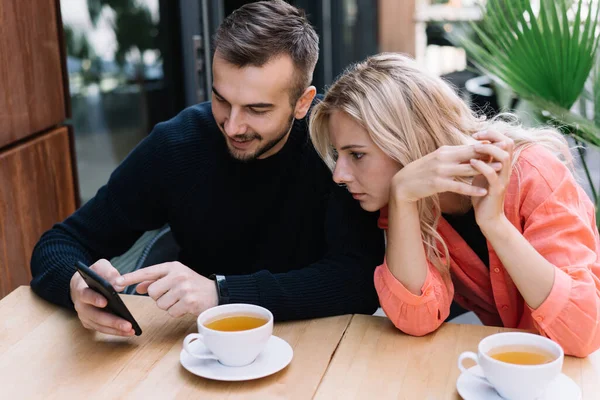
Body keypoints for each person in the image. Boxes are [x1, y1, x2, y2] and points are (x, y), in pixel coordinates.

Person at [30, 1, 384, 337]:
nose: (232, 126)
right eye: (221, 100)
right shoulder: (177, 145)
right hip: (198, 347)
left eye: (257, 109)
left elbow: (359, 280)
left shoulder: (335, 148)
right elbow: (59, 244)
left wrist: (222, 293)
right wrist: (76, 287)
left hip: (319, 346)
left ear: (302, 103)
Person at [309, 52, 600, 357]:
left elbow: (581, 333)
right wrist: (403, 200)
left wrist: (495, 225)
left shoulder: (532, 174)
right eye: (338, 155)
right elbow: (416, 320)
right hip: (502, 367)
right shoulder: (401, 201)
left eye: (356, 155)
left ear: (411, 140)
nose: (339, 175)